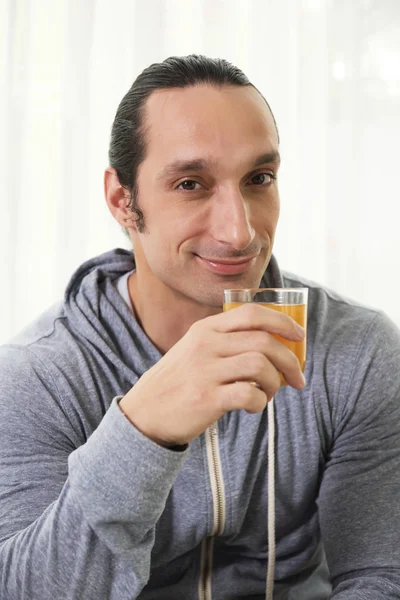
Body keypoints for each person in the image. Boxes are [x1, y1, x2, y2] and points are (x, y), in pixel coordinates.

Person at [0, 54, 399, 600]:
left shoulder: (357, 351)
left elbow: (381, 577)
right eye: (191, 183)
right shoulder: (36, 377)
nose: (240, 231)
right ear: (123, 200)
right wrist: (143, 430)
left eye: (259, 178)